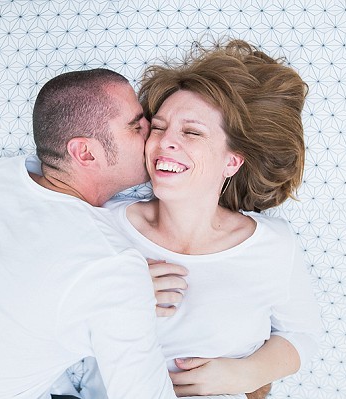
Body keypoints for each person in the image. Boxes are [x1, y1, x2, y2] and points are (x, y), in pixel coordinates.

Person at [70, 40, 323, 399]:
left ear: (232, 162)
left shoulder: (272, 245)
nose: (165, 142)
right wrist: (119, 296)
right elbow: (43, 321)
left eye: (191, 132)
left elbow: (302, 336)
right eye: (158, 127)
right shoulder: (101, 225)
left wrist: (246, 374)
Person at [0, 69, 175, 398]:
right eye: (137, 126)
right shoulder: (111, 266)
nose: (154, 131)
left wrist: (113, 293)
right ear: (85, 153)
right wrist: (126, 289)